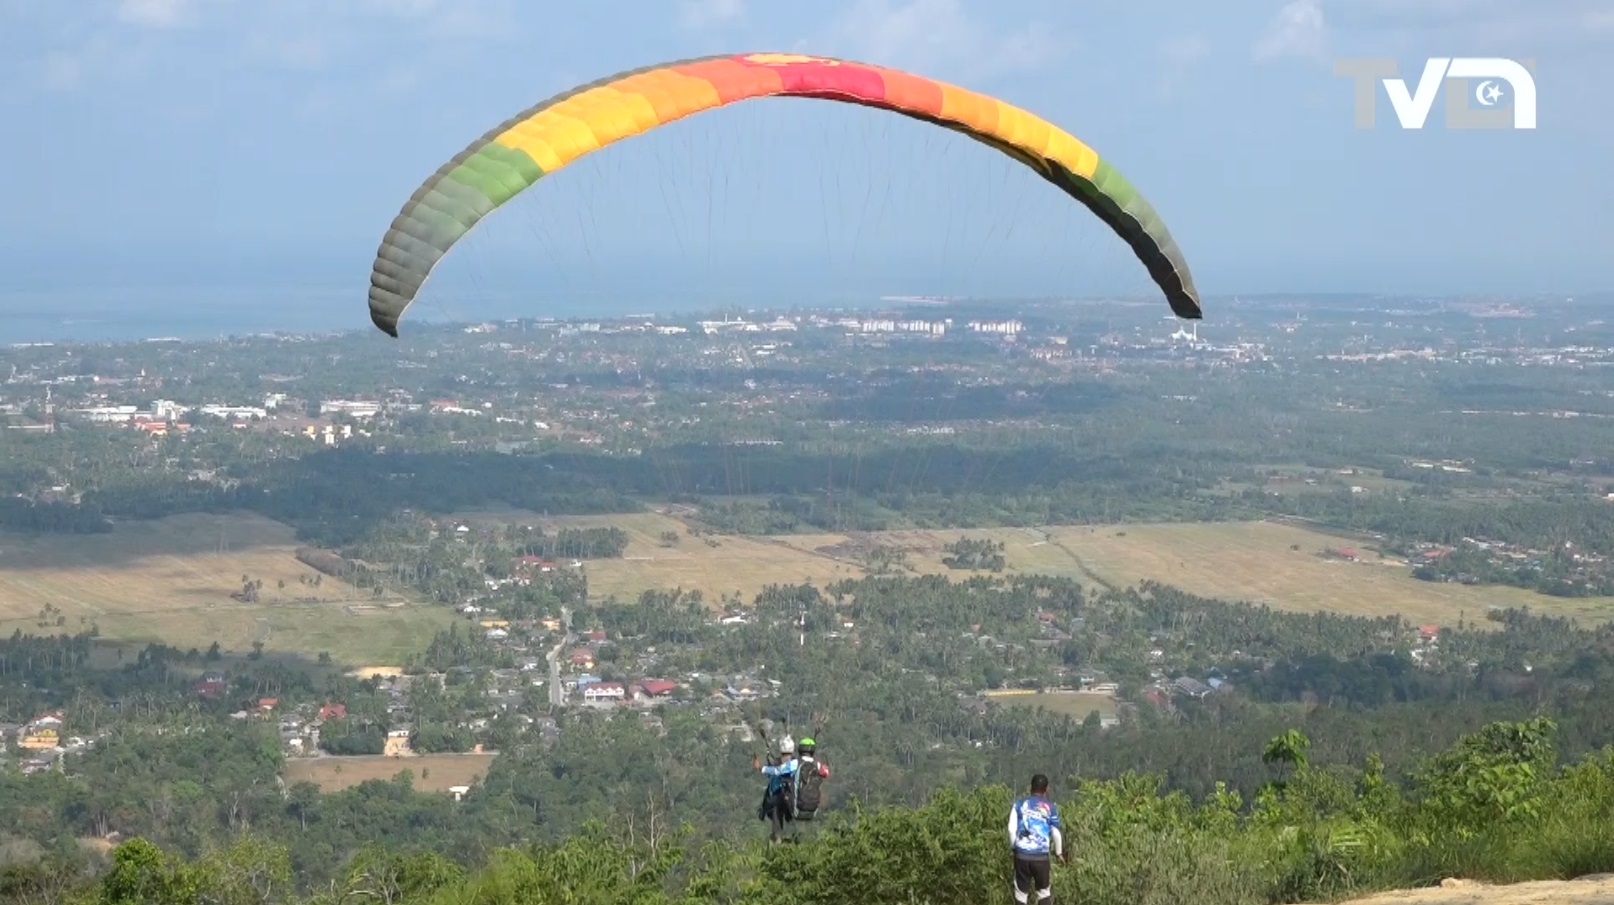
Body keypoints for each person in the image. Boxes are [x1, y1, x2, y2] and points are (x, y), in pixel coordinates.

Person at [1007, 773, 1065, 904]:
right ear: (1047, 789)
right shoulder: (1050, 808)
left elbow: (1011, 829)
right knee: (1044, 893)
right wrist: (1059, 853)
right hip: (1041, 858)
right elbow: (1056, 833)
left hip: (1022, 855)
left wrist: (1014, 848)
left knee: (1021, 894)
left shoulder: (1019, 804)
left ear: (1030, 787)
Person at [753, 735, 798, 842]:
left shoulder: (791, 764)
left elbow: (777, 771)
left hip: (785, 797)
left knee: (776, 807)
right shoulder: (796, 762)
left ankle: (777, 836)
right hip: (792, 796)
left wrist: (760, 768)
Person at [792, 737, 831, 822]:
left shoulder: (795, 763)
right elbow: (826, 773)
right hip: (813, 808)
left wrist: (763, 769)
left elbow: (779, 770)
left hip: (797, 808)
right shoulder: (817, 764)